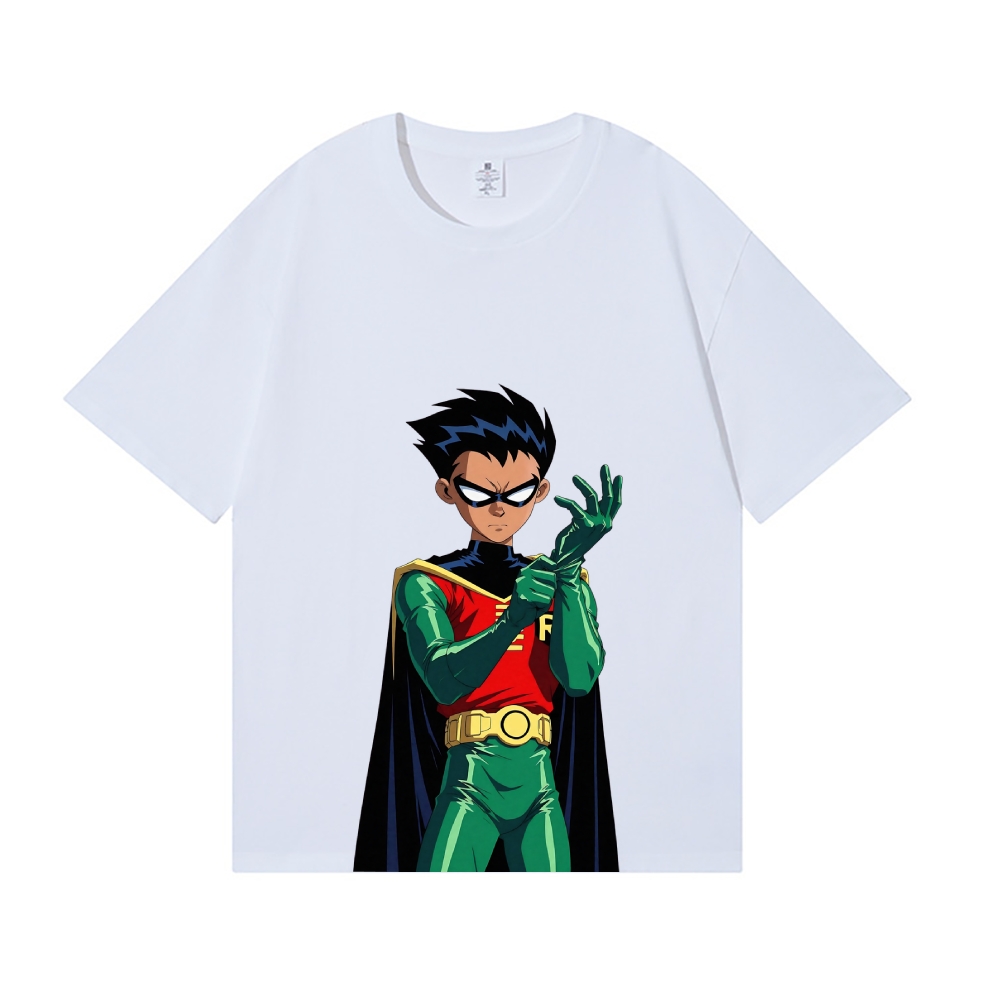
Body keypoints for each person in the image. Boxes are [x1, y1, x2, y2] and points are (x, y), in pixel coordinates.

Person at [353, 386, 622, 871]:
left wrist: (568, 569)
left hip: (539, 780)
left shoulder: (558, 576)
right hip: (469, 776)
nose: (499, 508)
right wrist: (511, 620)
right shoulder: (427, 582)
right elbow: (441, 677)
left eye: (518, 493)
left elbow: (580, 678)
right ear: (447, 490)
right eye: (478, 492)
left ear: (541, 491)